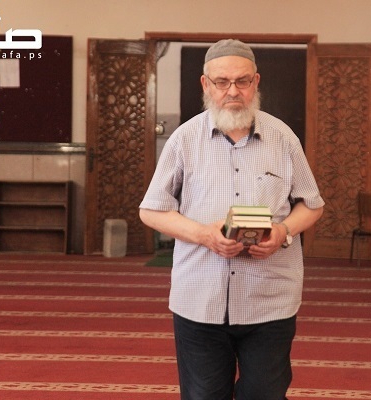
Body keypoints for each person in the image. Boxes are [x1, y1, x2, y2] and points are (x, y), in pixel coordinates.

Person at [138, 39, 324, 400]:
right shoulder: (184, 140)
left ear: (256, 82)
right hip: (200, 299)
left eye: (242, 81)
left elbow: (312, 205)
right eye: (222, 82)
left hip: (269, 299)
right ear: (205, 84)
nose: (233, 91)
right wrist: (203, 235)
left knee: (265, 394)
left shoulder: (283, 138)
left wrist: (283, 231)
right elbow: (151, 210)